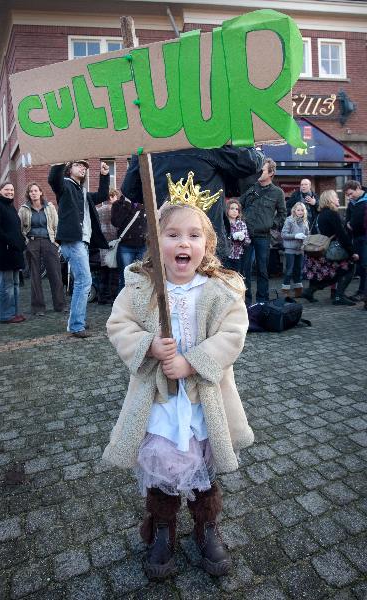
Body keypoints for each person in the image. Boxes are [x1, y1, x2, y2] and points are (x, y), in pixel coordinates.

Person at [103, 201, 254, 580]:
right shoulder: (142, 286)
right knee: (163, 470)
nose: (182, 243)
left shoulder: (221, 289)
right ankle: (162, 529)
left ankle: (205, 526)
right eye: (172, 235)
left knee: (204, 467)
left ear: (207, 244)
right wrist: (149, 345)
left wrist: (193, 361)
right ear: (156, 243)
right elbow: (119, 326)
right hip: (161, 404)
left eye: (193, 235)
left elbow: (233, 334)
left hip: (204, 402)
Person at [121, 146, 263, 264]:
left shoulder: (147, 144)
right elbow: (250, 163)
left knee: (169, 292)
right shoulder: (207, 140)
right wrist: (253, 148)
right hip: (206, 243)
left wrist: (160, 195)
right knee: (211, 292)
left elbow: (130, 189)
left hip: (167, 241)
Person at [48, 160, 109, 338]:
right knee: (84, 282)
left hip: (81, 242)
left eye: (84, 167)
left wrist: (104, 175)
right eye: (78, 165)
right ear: (69, 170)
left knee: (81, 283)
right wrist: (62, 160)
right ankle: (76, 325)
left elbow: (102, 195)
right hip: (73, 242)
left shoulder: (82, 191)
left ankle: (77, 320)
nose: (83, 168)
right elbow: (53, 179)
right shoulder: (66, 186)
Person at [239, 158, 286, 304]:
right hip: (245, 235)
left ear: (271, 172)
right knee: (244, 270)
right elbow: (238, 205)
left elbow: (282, 214)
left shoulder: (277, 193)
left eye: (263, 170)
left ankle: (262, 302)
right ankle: (246, 302)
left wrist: (271, 225)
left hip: (263, 236)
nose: (259, 173)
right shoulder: (251, 188)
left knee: (262, 271)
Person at [302, 190, 359, 306]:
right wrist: (352, 252)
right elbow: (342, 235)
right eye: (336, 197)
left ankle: (309, 291)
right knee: (349, 267)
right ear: (330, 200)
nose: (338, 199)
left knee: (329, 275)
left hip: (318, 252)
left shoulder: (320, 214)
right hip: (328, 251)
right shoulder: (332, 214)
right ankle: (338, 296)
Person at [18, 182, 65, 316]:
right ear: (29, 194)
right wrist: (26, 242)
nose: (33, 193)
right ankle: (38, 308)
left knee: (55, 274)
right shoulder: (23, 209)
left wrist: (56, 242)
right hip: (32, 242)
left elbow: (57, 225)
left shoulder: (49, 207)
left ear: (40, 192)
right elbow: (20, 228)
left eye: (35, 190)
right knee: (35, 276)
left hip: (49, 242)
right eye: (31, 191)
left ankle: (60, 305)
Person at [0, 182, 26, 323]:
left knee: (15, 283)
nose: (10, 192)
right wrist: (9, 241)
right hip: (5, 250)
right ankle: (6, 315)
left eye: (12, 189)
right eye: (7, 189)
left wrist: (21, 242)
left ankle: (15, 313)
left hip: (15, 250)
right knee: (7, 285)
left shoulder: (11, 207)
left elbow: (16, 228)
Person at [111, 194, 147, 291]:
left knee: (141, 277)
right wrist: (126, 204)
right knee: (125, 278)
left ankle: (138, 303)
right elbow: (116, 222)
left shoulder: (145, 202)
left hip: (142, 245)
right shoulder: (118, 204)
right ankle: (123, 304)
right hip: (126, 246)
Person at [343, 180, 367, 306]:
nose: (349, 197)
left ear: (358, 188)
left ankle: (363, 292)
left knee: (364, 266)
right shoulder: (352, 203)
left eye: (351, 194)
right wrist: (348, 226)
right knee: (360, 266)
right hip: (356, 238)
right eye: (347, 195)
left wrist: (352, 225)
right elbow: (347, 219)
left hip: (364, 237)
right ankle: (361, 292)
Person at [96, 180, 119, 304]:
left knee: (104, 271)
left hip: (103, 242)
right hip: (114, 242)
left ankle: (101, 296)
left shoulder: (99, 210)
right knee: (114, 271)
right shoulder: (116, 209)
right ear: (112, 197)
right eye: (115, 196)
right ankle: (113, 296)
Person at [281, 202, 309, 298]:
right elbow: (283, 234)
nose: (300, 212)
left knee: (298, 270)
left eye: (302, 210)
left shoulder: (305, 222)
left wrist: (305, 240)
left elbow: (307, 235)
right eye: (298, 210)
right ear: (294, 210)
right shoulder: (289, 220)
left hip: (300, 250)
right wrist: (295, 236)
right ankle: (285, 290)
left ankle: (298, 291)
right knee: (289, 271)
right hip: (290, 250)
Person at [226, 199, 250, 274]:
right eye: (232, 208)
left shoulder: (242, 223)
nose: (234, 211)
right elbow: (220, 238)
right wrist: (231, 237)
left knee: (237, 276)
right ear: (227, 210)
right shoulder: (224, 223)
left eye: (237, 209)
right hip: (226, 255)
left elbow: (247, 241)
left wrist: (243, 239)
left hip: (238, 256)